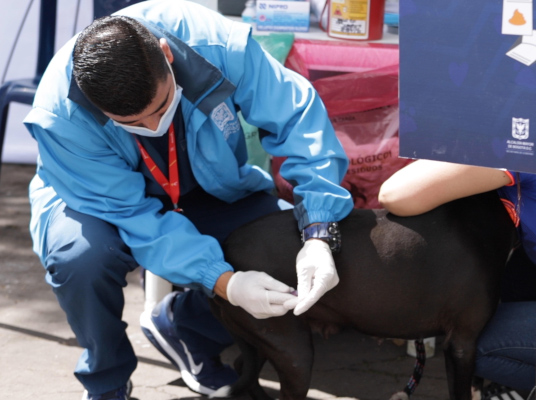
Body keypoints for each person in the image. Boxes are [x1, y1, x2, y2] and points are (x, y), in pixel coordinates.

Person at [24, 1, 354, 399]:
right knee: (81, 260)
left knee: (288, 250)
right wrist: (226, 282)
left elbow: (297, 117)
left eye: (161, 108)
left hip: (208, 184)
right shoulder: (60, 114)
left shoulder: (215, 45)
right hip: (95, 200)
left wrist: (319, 228)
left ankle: (186, 327)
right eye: (131, 123)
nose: (151, 126)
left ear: (166, 55)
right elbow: (132, 215)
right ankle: (106, 382)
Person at [378, 159, 536, 397]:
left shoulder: (529, 147)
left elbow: (394, 194)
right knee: (516, 276)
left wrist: (464, 147)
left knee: (473, 344)